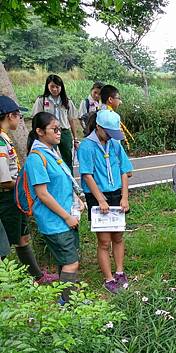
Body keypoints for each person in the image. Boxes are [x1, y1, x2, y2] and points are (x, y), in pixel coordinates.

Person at [23, 112, 85, 303]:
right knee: (71, 263)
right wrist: (67, 217)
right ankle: (68, 303)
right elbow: (42, 194)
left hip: (66, 218)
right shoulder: (36, 158)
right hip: (55, 221)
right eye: (55, 129)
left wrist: (76, 199)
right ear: (40, 132)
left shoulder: (51, 152)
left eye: (60, 129)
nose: (59, 133)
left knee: (65, 262)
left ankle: (69, 299)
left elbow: (62, 182)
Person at [0, 96, 57, 283]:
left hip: (13, 196)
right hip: (7, 197)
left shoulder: (5, 138)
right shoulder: (0, 142)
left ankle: (36, 276)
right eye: (18, 116)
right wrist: (23, 185)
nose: (20, 120)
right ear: (10, 116)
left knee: (22, 237)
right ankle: (14, 282)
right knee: (7, 243)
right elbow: (3, 180)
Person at [78, 110, 133, 293]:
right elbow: (87, 175)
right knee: (103, 240)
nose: (111, 136)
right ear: (99, 127)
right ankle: (109, 279)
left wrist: (124, 197)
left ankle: (119, 271)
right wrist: (100, 199)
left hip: (116, 193)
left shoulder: (115, 144)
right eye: (108, 132)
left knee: (118, 236)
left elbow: (125, 171)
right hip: (97, 195)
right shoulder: (86, 146)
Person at [31, 74, 80, 171]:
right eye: (52, 86)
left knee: (67, 159)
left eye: (57, 87)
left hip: (64, 132)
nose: (54, 89)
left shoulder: (67, 101)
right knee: (49, 157)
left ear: (61, 87)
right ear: (47, 86)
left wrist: (75, 138)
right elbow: (36, 118)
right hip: (48, 132)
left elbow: (71, 120)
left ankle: (70, 183)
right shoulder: (42, 100)